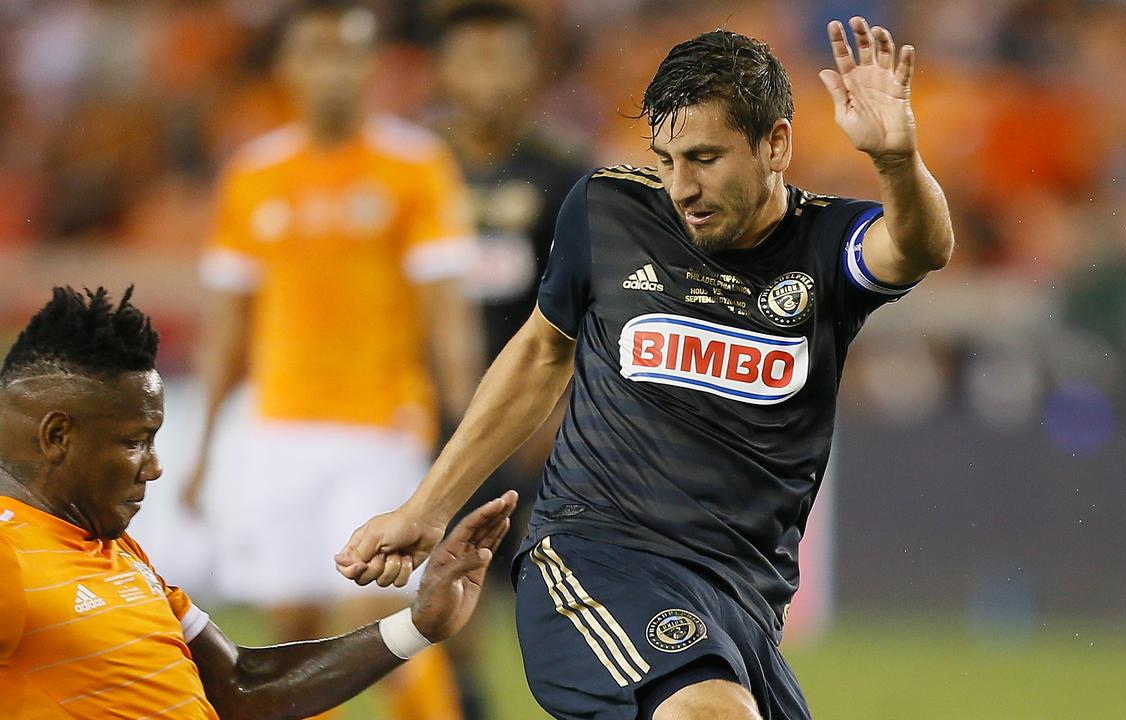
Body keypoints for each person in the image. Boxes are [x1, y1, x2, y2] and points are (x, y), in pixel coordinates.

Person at [337, 16, 954, 720]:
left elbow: (917, 247)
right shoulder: (608, 209)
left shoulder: (824, 243)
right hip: (596, 558)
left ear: (775, 143)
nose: (681, 187)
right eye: (666, 160)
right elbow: (542, 351)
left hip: (743, 599)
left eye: (705, 158)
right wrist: (426, 510)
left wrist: (899, 161)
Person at [0, 286, 516, 720]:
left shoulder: (116, 551)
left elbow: (243, 684)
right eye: (136, 441)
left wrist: (418, 625)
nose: (154, 466)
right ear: (58, 436)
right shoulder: (12, 559)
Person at [182, 1, 482, 717]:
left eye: (348, 53)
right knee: (287, 627)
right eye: (317, 52)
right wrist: (202, 448)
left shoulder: (415, 168)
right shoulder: (252, 176)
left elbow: (447, 311)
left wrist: (468, 428)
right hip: (279, 428)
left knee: (375, 613)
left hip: (380, 425)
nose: (334, 70)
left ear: (372, 67)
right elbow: (229, 325)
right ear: (287, 67)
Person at [428, 4, 591, 717]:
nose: (490, 77)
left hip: (532, 409)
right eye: (474, 58)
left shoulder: (564, 171)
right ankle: (467, 702)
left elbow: (592, 304)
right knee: (444, 569)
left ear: (533, 71)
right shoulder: (416, 166)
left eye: (505, 59)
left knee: (556, 579)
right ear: (445, 67)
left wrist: (561, 410)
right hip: (431, 405)